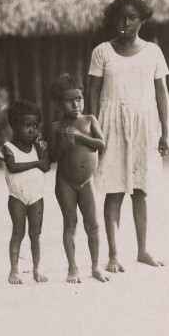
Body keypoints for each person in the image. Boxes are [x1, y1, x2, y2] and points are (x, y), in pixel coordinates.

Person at [88, 0, 169, 272]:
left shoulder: (153, 52)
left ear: (142, 20)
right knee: (114, 191)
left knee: (140, 190)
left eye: (133, 17)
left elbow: (162, 94)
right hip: (111, 125)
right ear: (113, 19)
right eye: (121, 17)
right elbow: (93, 94)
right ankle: (113, 255)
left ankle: (143, 250)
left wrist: (166, 131)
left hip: (145, 126)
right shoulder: (101, 51)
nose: (126, 22)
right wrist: (94, 130)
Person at [50, 74, 109, 284]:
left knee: (93, 225)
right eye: (69, 100)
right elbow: (51, 159)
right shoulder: (56, 127)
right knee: (70, 224)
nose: (76, 104)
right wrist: (64, 146)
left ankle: (95, 267)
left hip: (87, 181)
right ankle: (72, 267)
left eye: (79, 98)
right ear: (58, 104)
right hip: (65, 181)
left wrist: (79, 137)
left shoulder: (89, 120)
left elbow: (101, 145)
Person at [0, 100, 50, 284]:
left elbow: (46, 165)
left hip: (36, 195)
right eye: (27, 126)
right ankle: (14, 271)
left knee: (35, 234)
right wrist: (36, 162)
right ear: (14, 125)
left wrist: (40, 146)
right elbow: (12, 167)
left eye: (35, 126)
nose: (32, 130)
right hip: (17, 197)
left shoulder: (37, 146)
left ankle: (37, 270)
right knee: (18, 233)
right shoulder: (8, 147)